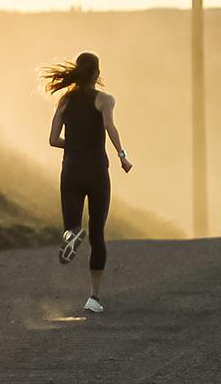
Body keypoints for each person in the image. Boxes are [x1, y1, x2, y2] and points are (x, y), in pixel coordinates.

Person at [41, 52, 132, 313]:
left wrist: (75, 144)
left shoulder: (65, 100)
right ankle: (94, 297)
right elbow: (109, 127)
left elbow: (52, 139)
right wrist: (122, 156)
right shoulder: (105, 100)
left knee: (71, 227)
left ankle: (72, 234)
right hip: (96, 173)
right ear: (97, 73)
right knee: (98, 235)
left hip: (70, 171)